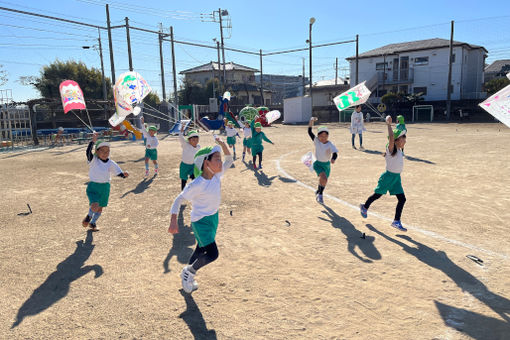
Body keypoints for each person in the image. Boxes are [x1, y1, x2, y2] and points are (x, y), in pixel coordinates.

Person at [168, 137, 233, 293]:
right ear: (206, 162)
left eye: (219, 159)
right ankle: (189, 272)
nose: (220, 162)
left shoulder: (216, 175)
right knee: (212, 253)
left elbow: (229, 159)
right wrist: (173, 221)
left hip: (213, 218)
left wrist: (222, 145)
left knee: (200, 249)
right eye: (217, 159)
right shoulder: (197, 184)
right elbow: (178, 200)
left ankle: (187, 274)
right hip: (201, 222)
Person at [359, 115, 407, 231]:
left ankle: (396, 221)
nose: (405, 140)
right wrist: (389, 125)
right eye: (402, 138)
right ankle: (364, 207)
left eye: (405, 138)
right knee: (377, 195)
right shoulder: (391, 150)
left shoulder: (400, 150)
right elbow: (391, 137)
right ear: (396, 140)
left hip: (396, 178)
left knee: (402, 199)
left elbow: (398, 133)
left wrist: (399, 125)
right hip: (388, 177)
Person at [82, 132, 129, 231]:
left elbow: (117, 171)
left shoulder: (110, 162)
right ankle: (88, 217)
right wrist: (93, 141)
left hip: (105, 188)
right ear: (97, 152)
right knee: (95, 206)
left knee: (100, 208)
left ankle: (93, 223)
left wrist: (123, 175)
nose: (105, 153)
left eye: (107, 151)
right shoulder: (93, 160)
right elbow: (88, 152)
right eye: (102, 151)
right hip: (94, 186)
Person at [308, 117, 338, 204]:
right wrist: (311, 121)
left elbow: (335, 153)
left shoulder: (330, 144)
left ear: (328, 136)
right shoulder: (316, 141)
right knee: (323, 178)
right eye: (321, 136)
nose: (323, 138)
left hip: (327, 165)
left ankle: (318, 191)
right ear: (318, 136)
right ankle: (320, 195)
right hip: (317, 164)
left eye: (325, 136)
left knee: (324, 181)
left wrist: (333, 158)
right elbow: (309, 132)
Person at [179, 125, 200, 190]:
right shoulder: (185, 145)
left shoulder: (198, 147)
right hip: (184, 165)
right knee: (184, 179)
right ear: (189, 140)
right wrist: (182, 130)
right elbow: (180, 138)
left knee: (194, 177)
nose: (195, 142)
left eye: (197, 140)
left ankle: (194, 190)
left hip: (193, 166)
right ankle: (183, 192)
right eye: (193, 140)